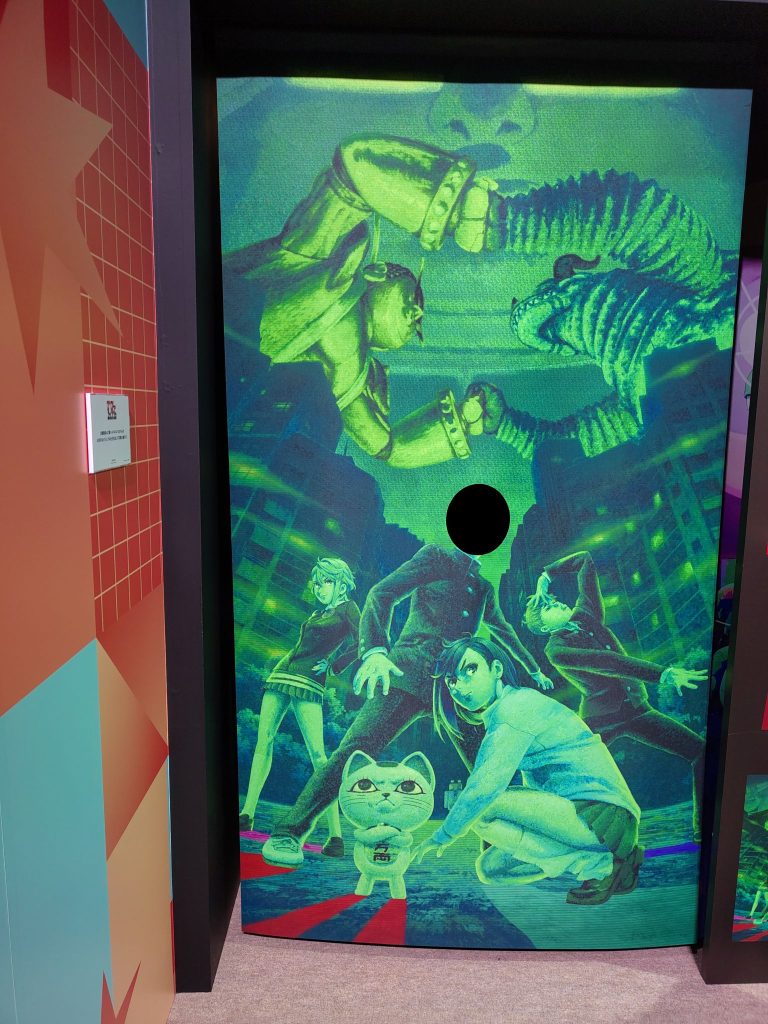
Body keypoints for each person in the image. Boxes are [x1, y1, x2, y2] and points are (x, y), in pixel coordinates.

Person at [228, 134, 737, 463]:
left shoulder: (354, 377)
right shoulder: (327, 256)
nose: (418, 313)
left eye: (416, 319)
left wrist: (493, 426)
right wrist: (497, 218)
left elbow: (388, 446)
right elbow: (353, 166)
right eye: (414, 296)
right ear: (379, 271)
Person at [261, 543, 553, 868]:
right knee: (354, 749)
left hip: (453, 687)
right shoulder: (437, 557)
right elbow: (382, 593)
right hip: (408, 671)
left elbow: (503, 629)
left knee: (491, 764)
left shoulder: (483, 587)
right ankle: (289, 832)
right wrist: (375, 651)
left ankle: (508, 849)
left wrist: (534, 670)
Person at [415, 636, 643, 906]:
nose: (460, 686)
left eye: (470, 670)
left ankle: (601, 867)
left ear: (497, 669)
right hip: (571, 817)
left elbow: (483, 789)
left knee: (483, 808)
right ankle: (599, 861)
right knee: (491, 869)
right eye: (452, 680)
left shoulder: (515, 709)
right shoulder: (504, 711)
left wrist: (442, 836)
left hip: (604, 816)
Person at [524, 550, 706, 836]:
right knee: (572, 785)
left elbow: (585, 561)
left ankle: (703, 829)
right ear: (544, 627)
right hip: (601, 722)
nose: (555, 601)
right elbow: (608, 662)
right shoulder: (556, 650)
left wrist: (547, 574)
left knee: (701, 752)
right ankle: (544, 832)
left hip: (636, 709)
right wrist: (662, 674)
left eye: (553, 599)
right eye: (548, 606)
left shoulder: (586, 615)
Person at [238, 557, 360, 858]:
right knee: (264, 740)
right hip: (283, 672)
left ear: (341, 582)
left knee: (319, 756)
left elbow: (363, 642)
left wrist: (334, 665)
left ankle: (335, 835)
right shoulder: (319, 613)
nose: (319, 588)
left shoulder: (348, 609)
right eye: (316, 583)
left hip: (308, 681)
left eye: (326, 582)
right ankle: (247, 812)